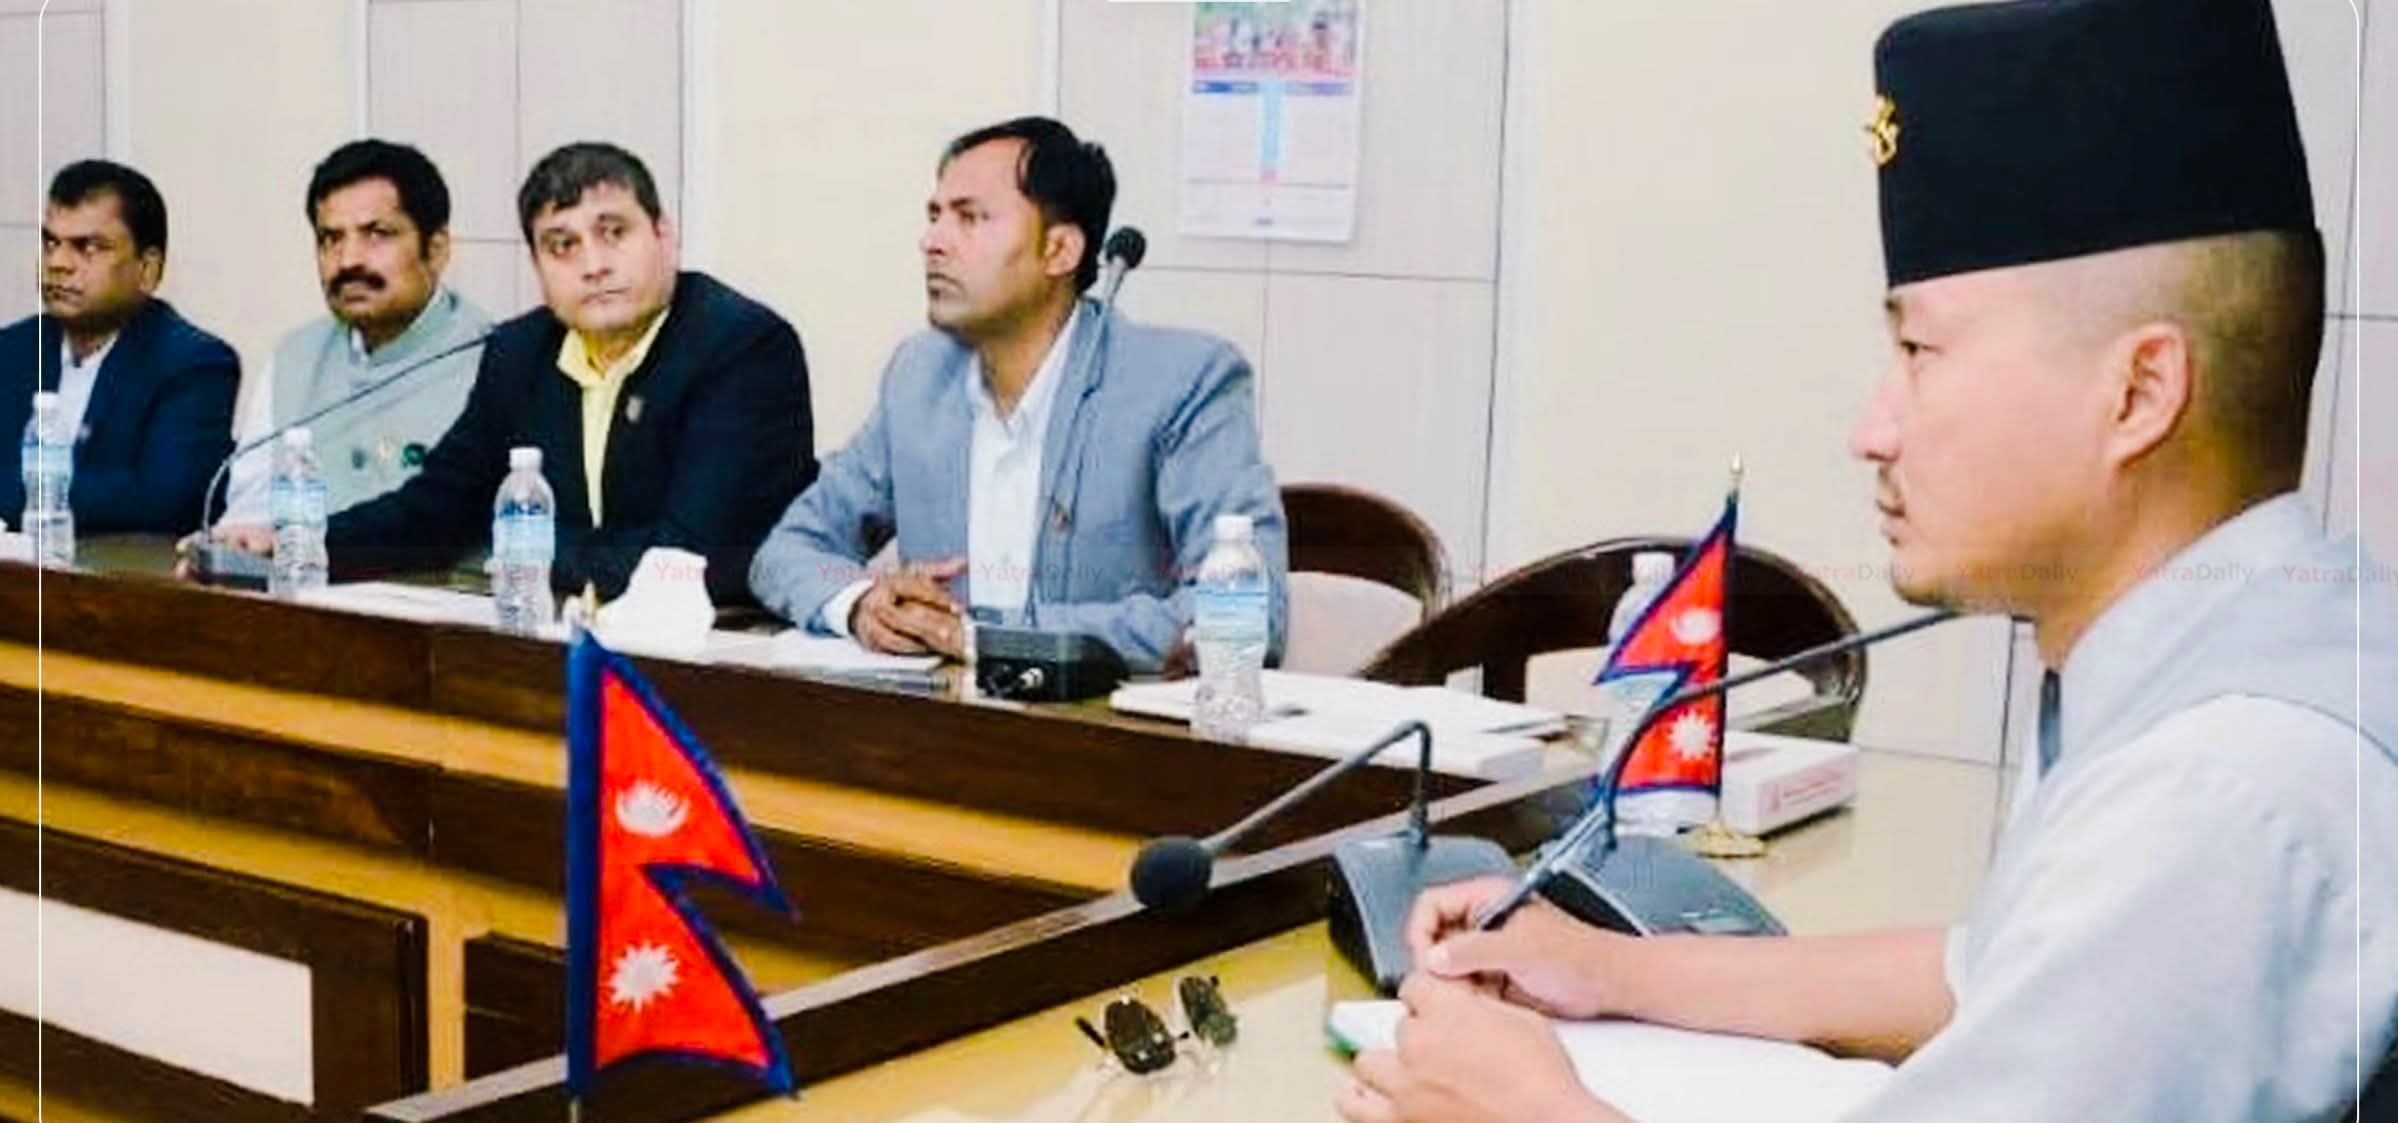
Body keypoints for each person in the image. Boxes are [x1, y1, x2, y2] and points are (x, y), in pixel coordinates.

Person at [1340, 1, 2398, 1121]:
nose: (1874, 428)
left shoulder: (2221, 790)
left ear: (2137, 392)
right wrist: (1608, 968)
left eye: (1919, 349)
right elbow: (1992, 974)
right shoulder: (2263, 643)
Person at [748, 117, 1286, 671]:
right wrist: (861, 603)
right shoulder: (919, 376)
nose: (932, 242)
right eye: (934, 216)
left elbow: (1247, 615)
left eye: (970, 218)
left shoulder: (1182, 381)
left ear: (1059, 250)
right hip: (940, 713)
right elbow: (789, 550)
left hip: (1102, 718)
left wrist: (987, 636)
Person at [202, 142, 815, 606]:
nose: (594, 265)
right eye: (562, 245)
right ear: (537, 266)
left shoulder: (741, 348)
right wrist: (298, 540)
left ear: (665, 236)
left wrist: (523, 546)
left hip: (719, 654)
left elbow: (691, 558)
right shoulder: (521, 351)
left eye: (613, 234)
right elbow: (437, 508)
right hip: (557, 635)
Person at [217, 140, 492, 526]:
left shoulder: (494, 361)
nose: (348, 261)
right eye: (331, 239)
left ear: (436, 250)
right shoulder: (294, 357)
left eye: (376, 234)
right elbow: (249, 513)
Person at [0, 160, 237, 535]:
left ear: (147, 270)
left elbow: (163, 501)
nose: (58, 264)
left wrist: (24, 489)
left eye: (88, 247)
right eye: (50, 243)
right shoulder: (11, 351)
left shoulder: (193, 365)